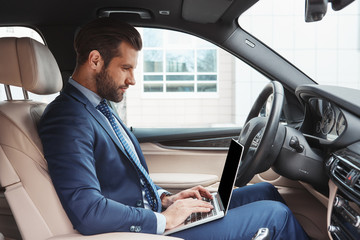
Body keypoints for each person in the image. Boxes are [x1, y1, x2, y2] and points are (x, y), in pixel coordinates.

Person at [38, 18, 309, 239]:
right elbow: (88, 212)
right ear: (95, 60)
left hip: (149, 216)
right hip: (137, 233)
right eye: (126, 68)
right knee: (276, 215)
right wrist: (163, 219)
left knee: (265, 192)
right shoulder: (67, 118)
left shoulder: (98, 106)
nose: (132, 79)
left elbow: (122, 178)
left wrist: (166, 198)